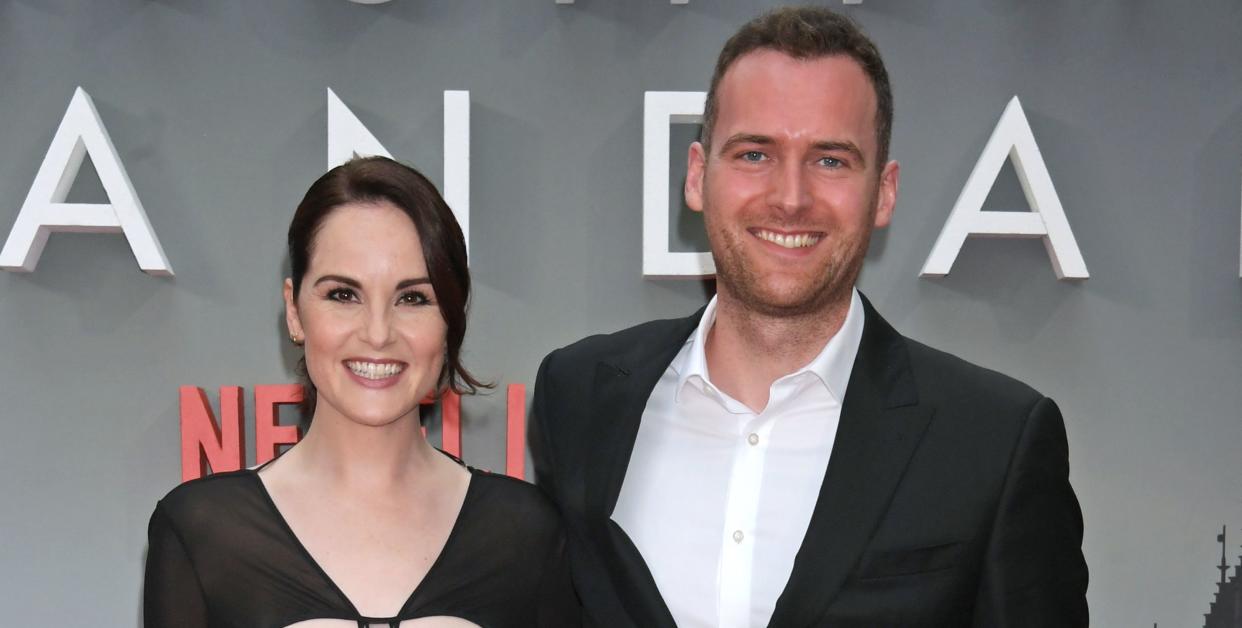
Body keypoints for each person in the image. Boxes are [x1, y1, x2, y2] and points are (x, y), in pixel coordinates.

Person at [530, 7, 1088, 628]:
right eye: (753, 153)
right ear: (696, 176)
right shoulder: (579, 395)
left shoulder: (994, 440)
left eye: (830, 160)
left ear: (884, 193)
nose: (790, 198)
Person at [144, 157, 579, 628]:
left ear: (452, 318)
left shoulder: (525, 532)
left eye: (412, 298)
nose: (377, 333)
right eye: (343, 295)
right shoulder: (202, 530)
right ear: (293, 310)